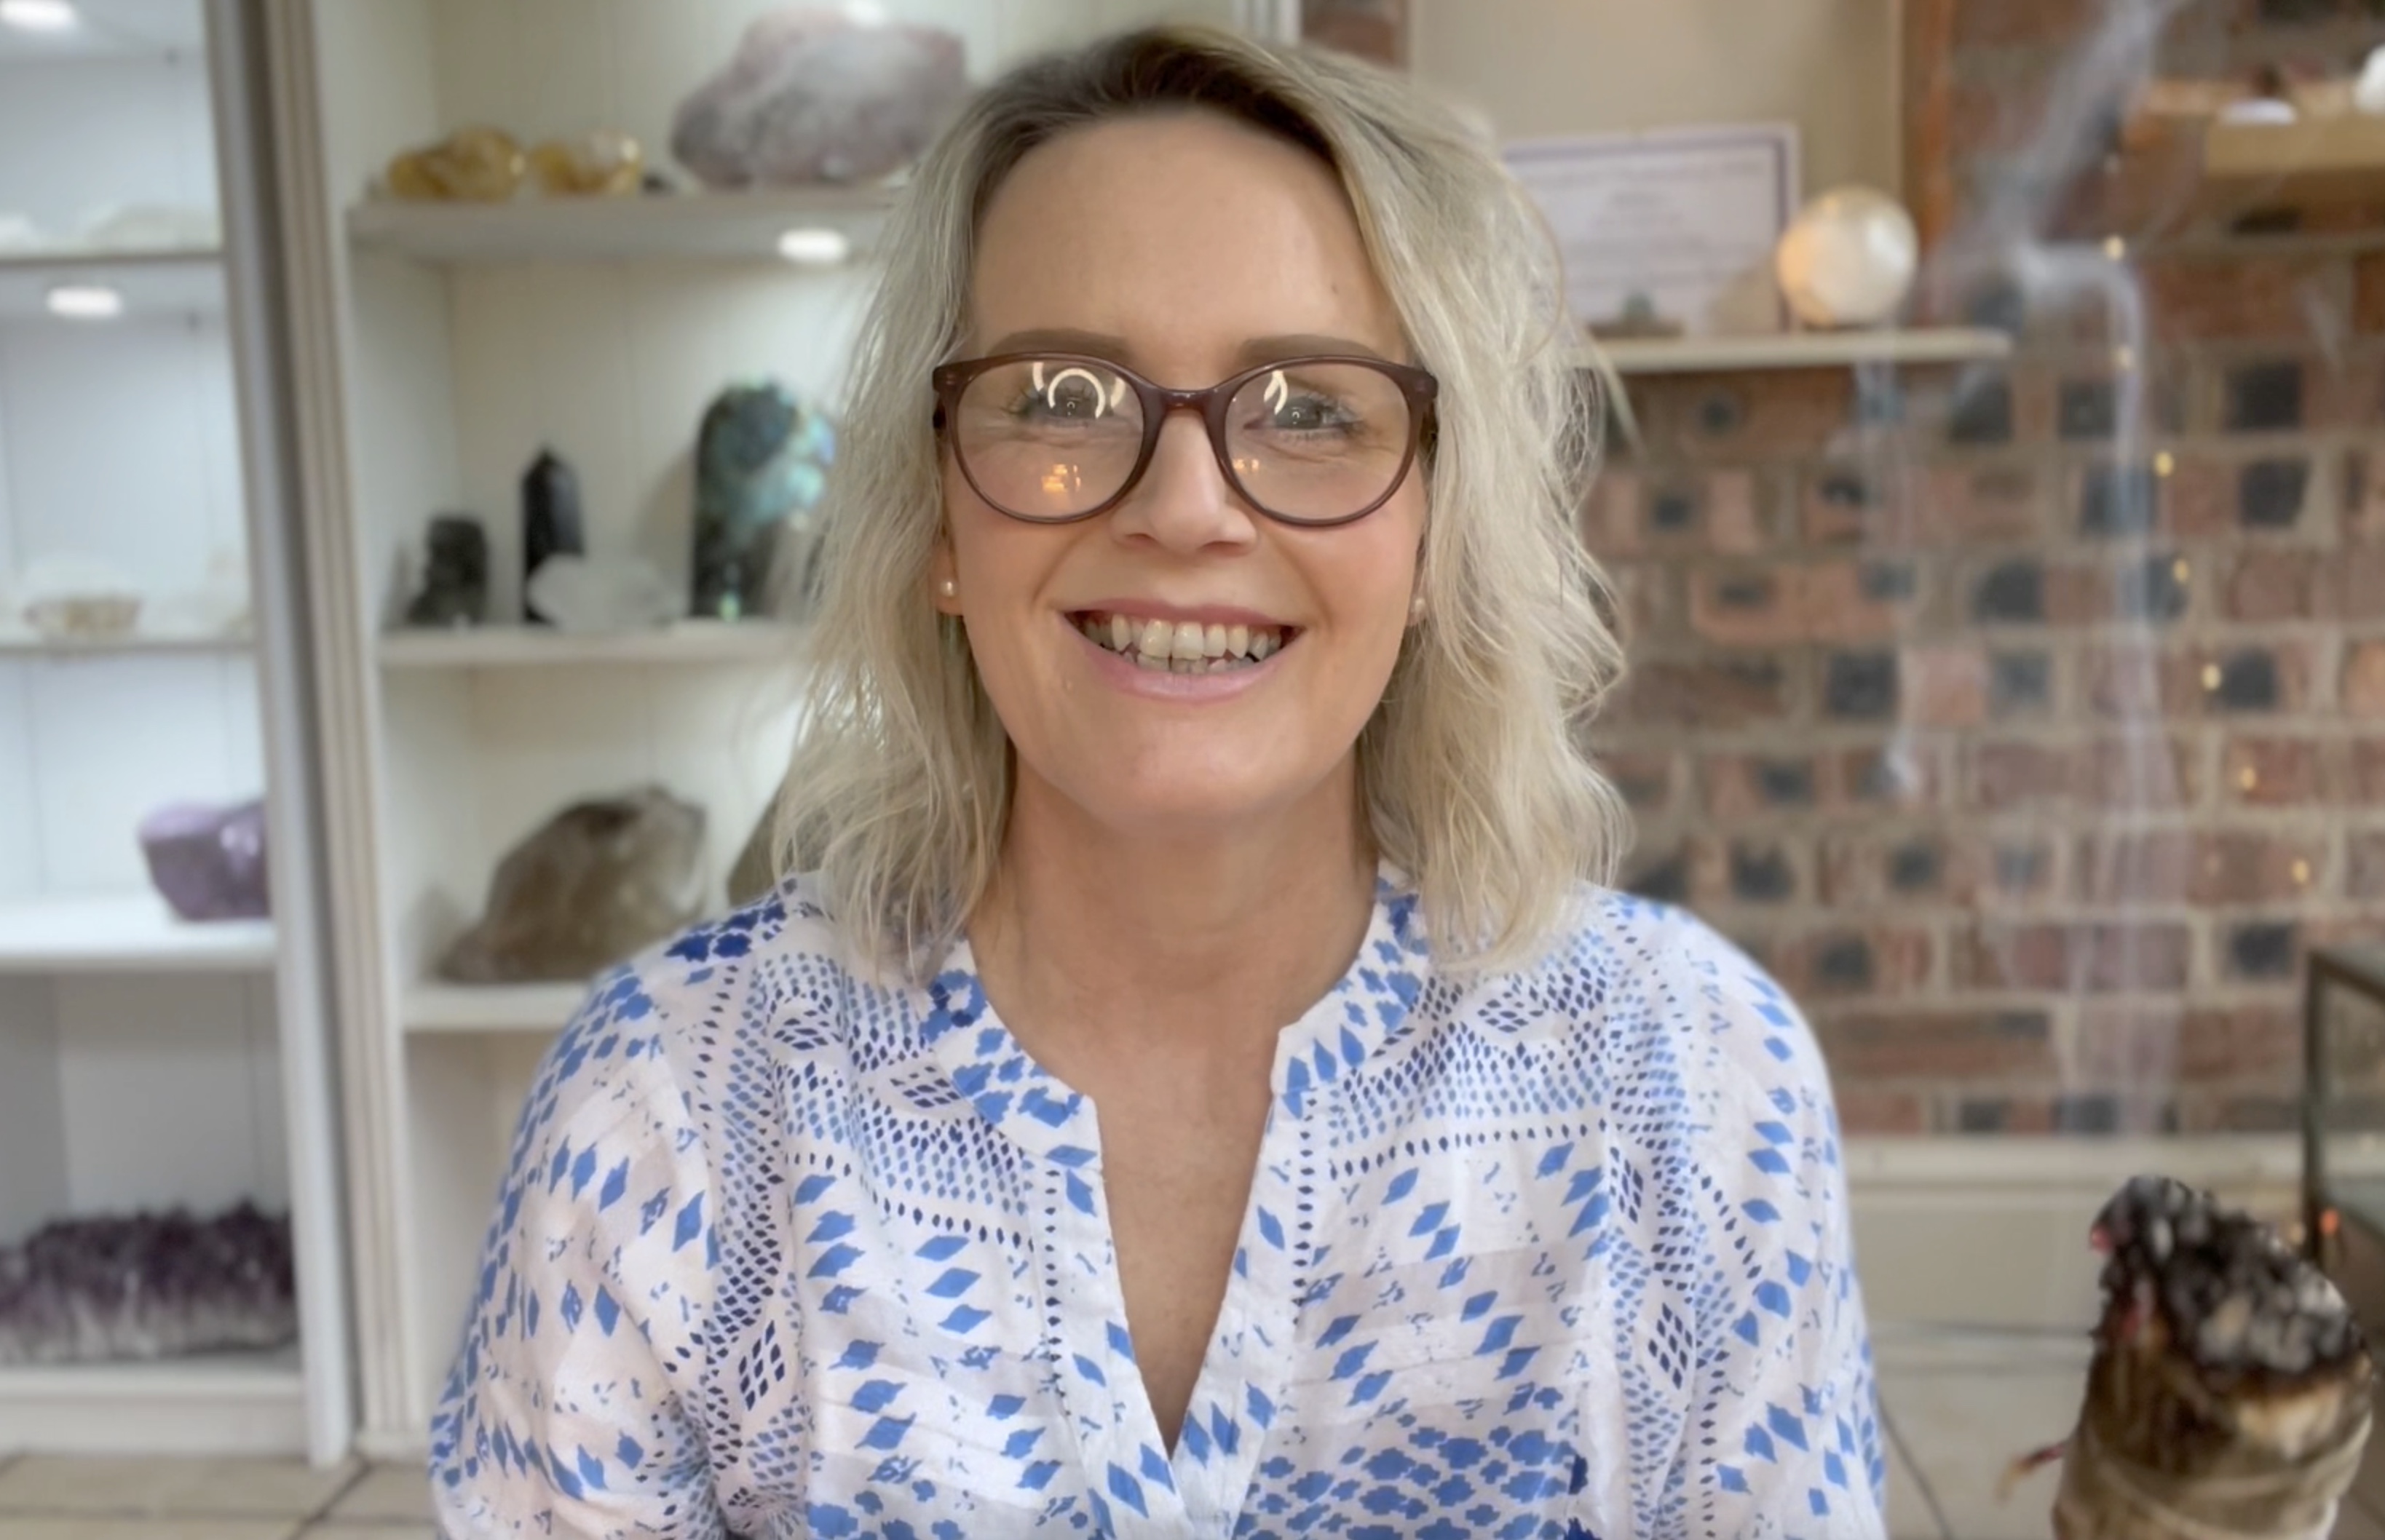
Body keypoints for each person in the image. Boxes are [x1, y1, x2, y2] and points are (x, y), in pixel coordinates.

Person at [429, 24, 1882, 1539]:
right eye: (1063, 397)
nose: (1186, 508)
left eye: (1311, 409)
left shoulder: (1692, 1086)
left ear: (1436, 534)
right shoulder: (665, 1113)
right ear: (938, 520)